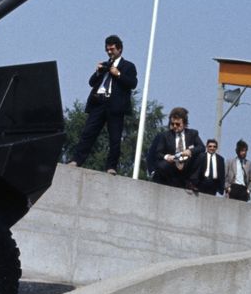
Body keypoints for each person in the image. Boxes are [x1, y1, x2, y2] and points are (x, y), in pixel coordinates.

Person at [68, 34, 138, 174]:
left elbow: (133, 83)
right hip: (98, 102)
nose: (109, 52)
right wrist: (99, 72)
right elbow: (91, 82)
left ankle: (111, 167)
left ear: (119, 49)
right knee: (88, 133)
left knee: (115, 138)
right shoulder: (105, 65)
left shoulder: (128, 66)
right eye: (107, 49)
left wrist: (117, 74)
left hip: (115, 105)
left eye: (112, 49)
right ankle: (76, 160)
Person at [146, 106, 205, 189]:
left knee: (202, 156)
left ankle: (191, 182)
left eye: (177, 124)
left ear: (184, 123)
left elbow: (201, 147)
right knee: (161, 165)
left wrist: (190, 151)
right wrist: (167, 157)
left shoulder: (192, 134)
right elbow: (158, 153)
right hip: (173, 164)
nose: (174, 126)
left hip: (187, 163)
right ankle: (167, 183)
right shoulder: (165, 136)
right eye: (172, 124)